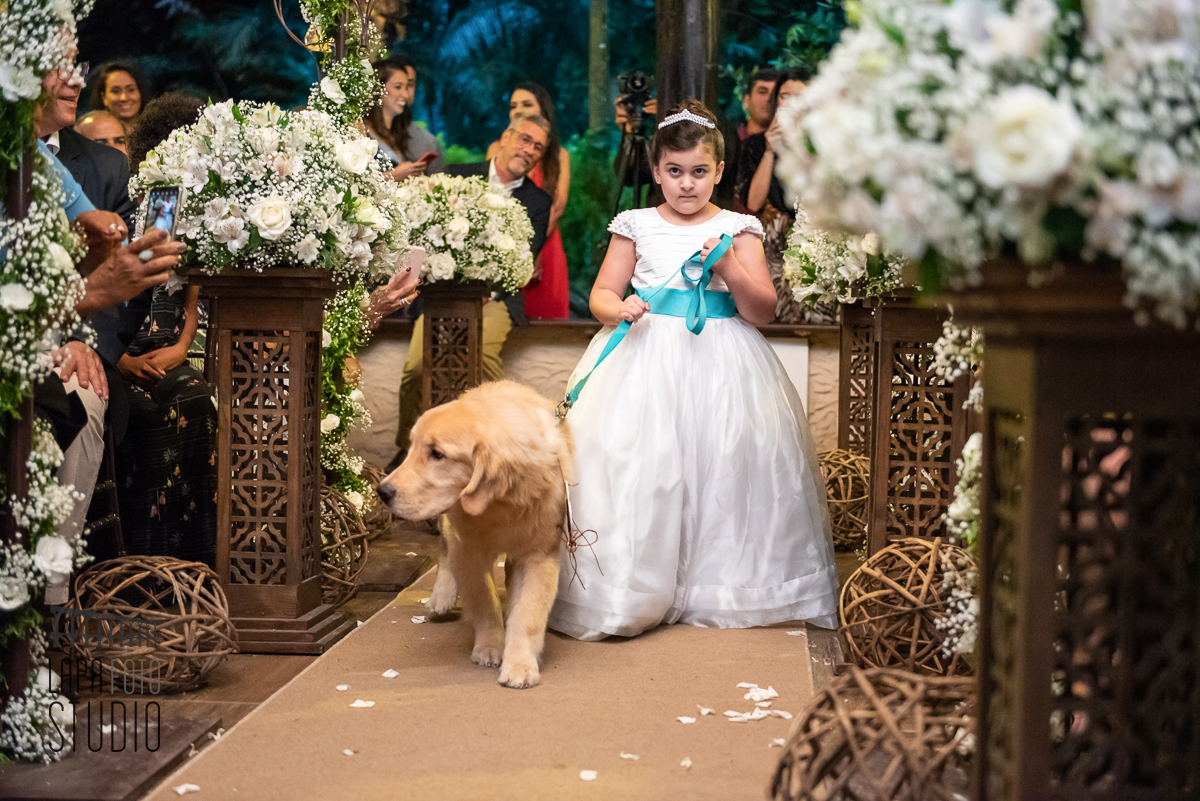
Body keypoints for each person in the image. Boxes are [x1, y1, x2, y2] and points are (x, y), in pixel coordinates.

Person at [546, 99, 839, 641]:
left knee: (723, 467)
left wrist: (728, 265)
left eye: (699, 172)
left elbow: (762, 310)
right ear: (656, 170)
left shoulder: (739, 227)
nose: (686, 184)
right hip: (644, 360)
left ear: (719, 171)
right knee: (643, 468)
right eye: (675, 171)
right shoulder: (635, 224)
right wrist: (618, 308)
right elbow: (603, 292)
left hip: (722, 365)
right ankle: (633, 587)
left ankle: (717, 585)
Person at [391, 114, 551, 463]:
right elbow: (422, 235)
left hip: (495, 299)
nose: (530, 150)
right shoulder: (458, 176)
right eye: (525, 139)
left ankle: (500, 453)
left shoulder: (539, 201)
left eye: (538, 147)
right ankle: (408, 451)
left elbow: (525, 259)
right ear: (506, 137)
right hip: (441, 296)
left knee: (483, 363)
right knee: (417, 368)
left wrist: (487, 291)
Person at [111, 92, 218, 566]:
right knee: (147, 416)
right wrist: (120, 359)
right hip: (116, 342)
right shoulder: (121, 199)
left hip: (169, 342)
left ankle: (194, 560)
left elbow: (189, 284)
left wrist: (182, 344)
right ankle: (143, 562)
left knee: (192, 395)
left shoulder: (188, 202)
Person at [736, 68, 833, 324]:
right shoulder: (756, 145)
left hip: (818, 250)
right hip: (773, 257)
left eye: (798, 97)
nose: (790, 103)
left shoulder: (827, 144)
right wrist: (770, 150)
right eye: (784, 96)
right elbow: (753, 203)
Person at [486, 83, 570, 319]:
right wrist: (516, 251)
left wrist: (533, 248)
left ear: (542, 109)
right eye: (513, 106)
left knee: (547, 325)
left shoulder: (559, 155)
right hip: (503, 247)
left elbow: (557, 207)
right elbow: (492, 200)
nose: (518, 110)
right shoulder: (497, 148)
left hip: (546, 245)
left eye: (527, 104)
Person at [365, 56, 445, 181]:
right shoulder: (360, 130)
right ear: (378, 89)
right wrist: (394, 175)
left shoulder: (398, 132)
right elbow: (355, 184)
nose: (406, 95)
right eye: (398, 87)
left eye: (407, 87)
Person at [90, 61, 148, 128]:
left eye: (131, 90)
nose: (124, 98)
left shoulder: (157, 130)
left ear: (140, 93)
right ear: (104, 98)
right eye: (116, 91)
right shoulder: (91, 132)